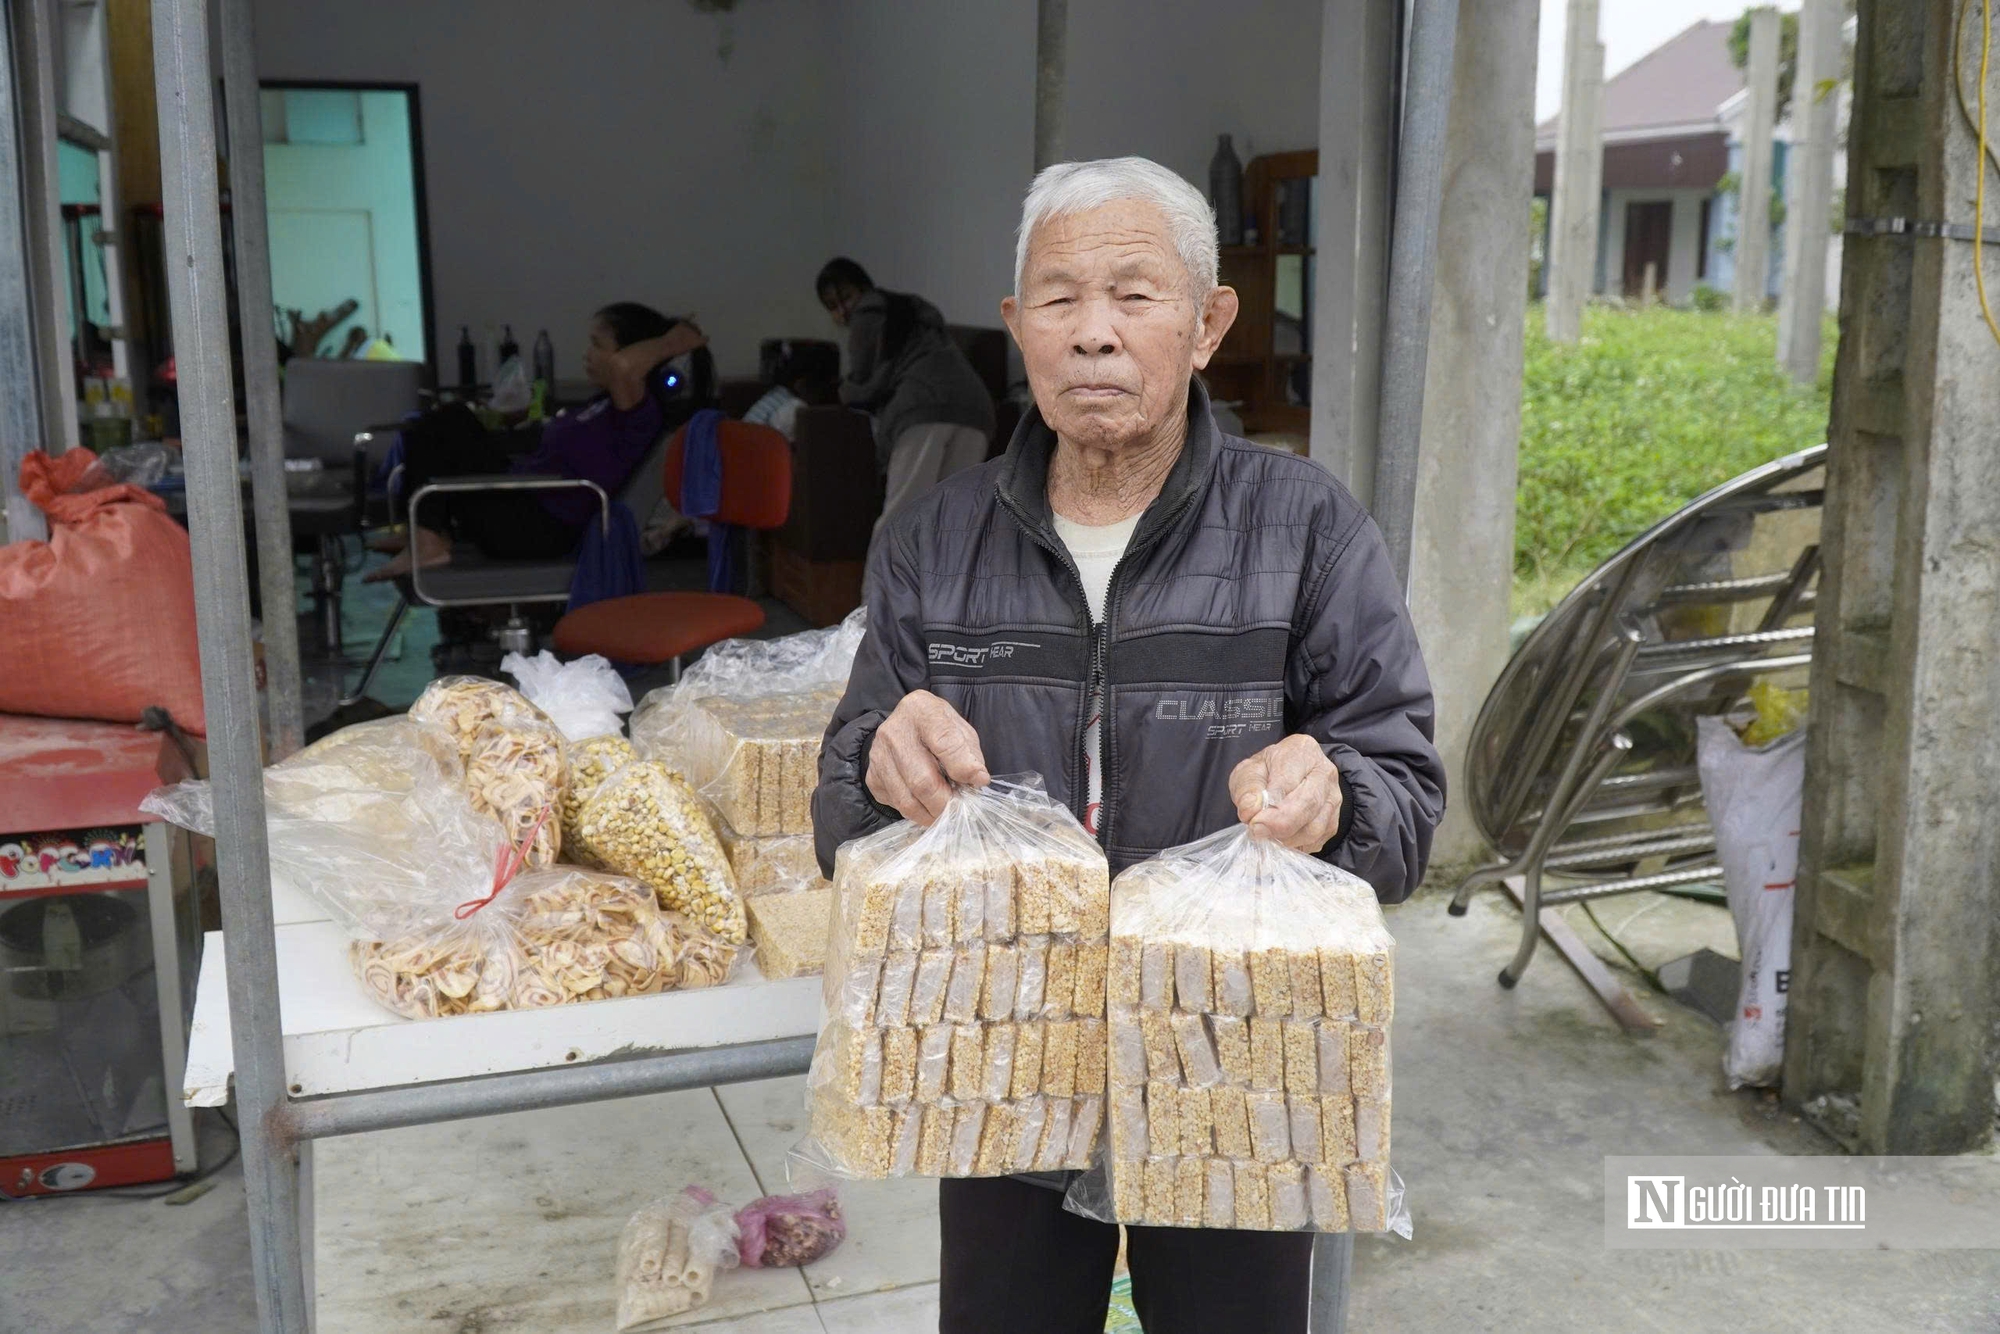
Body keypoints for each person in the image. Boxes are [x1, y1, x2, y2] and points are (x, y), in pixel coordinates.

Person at [811, 157, 1445, 1334]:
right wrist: (872, 764)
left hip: (1231, 1054)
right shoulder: (929, 541)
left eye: (1133, 295)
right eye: (1057, 299)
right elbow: (840, 817)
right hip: (1004, 1063)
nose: (1092, 334)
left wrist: (1334, 793)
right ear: (1015, 329)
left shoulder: (1303, 527)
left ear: (1207, 324)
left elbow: (1403, 796)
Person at [365, 302, 710, 581]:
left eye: (597, 345)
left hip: (541, 529)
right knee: (437, 422)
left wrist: (673, 342)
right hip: (524, 506)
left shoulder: (638, 412)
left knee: (452, 418)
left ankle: (427, 539)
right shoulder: (601, 403)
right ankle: (422, 532)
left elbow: (623, 368)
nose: (587, 354)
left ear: (631, 354)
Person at [815, 258, 997, 552]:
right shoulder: (916, 313)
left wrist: (843, 390)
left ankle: (876, 600)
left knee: (900, 520)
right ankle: (949, 599)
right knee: (956, 521)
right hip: (976, 410)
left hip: (923, 410)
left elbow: (864, 385)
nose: (843, 311)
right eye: (833, 306)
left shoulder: (867, 314)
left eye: (845, 298)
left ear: (863, 289)